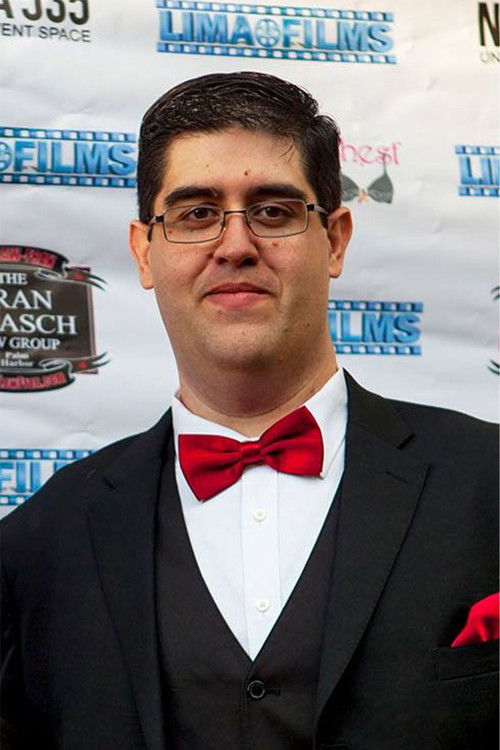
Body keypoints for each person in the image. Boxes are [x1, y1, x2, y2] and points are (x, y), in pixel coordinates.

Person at [1, 72, 498, 750]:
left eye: (272, 211)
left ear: (336, 240)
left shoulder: (489, 483)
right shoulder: (39, 544)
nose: (235, 245)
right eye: (196, 214)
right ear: (144, 252)